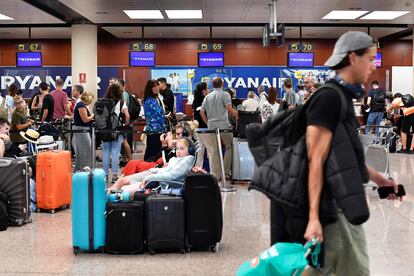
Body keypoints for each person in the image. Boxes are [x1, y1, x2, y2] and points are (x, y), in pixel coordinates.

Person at [302, 31, 402, 275]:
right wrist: (313, 216)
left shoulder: (343, 97)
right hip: (334, 206)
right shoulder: (328, 98)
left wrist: (382, 181)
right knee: (355, 270)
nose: (373, 66)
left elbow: (346, 158)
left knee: (322, 269)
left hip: (343, 201)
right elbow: (315, 158)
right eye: (370, 58)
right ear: (352, 58)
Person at [109, 137, 195, 195]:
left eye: (182, 149)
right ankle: (105, 198)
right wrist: (153, 171)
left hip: (158, 182)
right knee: (122, 181)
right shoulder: (176, 159)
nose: (178, 151)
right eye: (177, 148)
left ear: (190, 150)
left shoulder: (187, 159)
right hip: (154, 176)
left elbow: (171, 176)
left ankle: (105, 200)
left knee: (123, 190)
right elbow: (165, 170)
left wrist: (151, 176)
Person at [199, 77, 238, 180]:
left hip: (211, 126)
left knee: (214, 150)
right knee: (230, 146)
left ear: (213, 85)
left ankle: (216, 175)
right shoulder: (225, 94)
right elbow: (229, 109)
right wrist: (238, 115)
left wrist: (208, 122)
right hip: (224, 126)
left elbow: (201, 111)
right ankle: (224, 173)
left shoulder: (208, 96)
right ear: (222, 84)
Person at [101, 83, 130, 182]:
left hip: (105, 130)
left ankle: (105, 175)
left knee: (105, 152)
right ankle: (114, 175)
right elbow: (127, 116)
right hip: (117, 129)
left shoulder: (103, 101)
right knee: (115, 152)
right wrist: (125, 124)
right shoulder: (121, 102)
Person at [143, 79, 166, 161]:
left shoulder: (154, 99)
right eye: (154, 86)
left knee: (151, 152)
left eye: (157, 86)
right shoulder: (150, 101)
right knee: (154, 154)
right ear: (150, 88)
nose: (156, 88)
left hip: (156, 131)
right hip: (155, 131)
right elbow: (159, 115)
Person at [72, 91, 95, 171]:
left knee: (81, 152)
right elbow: (85, 119)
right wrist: (92, 116)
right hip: (82, 131)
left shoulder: (80, 105)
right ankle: (84, 169)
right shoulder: (81, 105)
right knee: (85, 151)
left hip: (81, 130)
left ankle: (79, 169)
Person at [118, 79, 132, 165]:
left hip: (123, 120)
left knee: (124, 140)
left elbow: (124, 109)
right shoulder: (124, 94)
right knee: (123, 140)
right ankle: (125, 158)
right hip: (123, 119)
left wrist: (126, 122)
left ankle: (129, 159)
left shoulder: (123, 94)